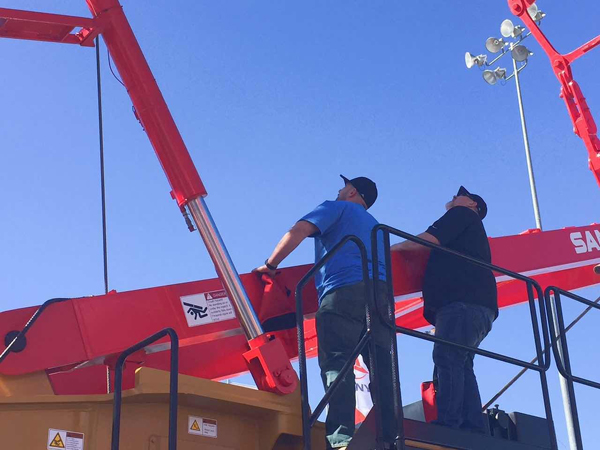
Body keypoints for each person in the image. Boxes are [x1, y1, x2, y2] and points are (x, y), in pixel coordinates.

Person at [255, 175, 396, 449]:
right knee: (382, 368)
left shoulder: (336, 207)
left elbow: (299, 230)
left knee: (337, 363)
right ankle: (392, 435)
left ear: (352, 192)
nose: (339, 190)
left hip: (343, 291)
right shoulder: (377, 227)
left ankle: (342, 438)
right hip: (380, 297)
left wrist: (270, 265)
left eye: (344, 186)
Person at [391, 186, 498, 432]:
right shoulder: (471, 233)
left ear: (472, 205)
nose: (454, 197)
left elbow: (428, 240)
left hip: (460, 303)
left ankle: (449, 423)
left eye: (461, 195)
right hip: (478, 307)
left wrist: (393, 248)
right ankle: (473, 427)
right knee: (462, 363)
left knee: (447, 357)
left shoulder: (462, 214)